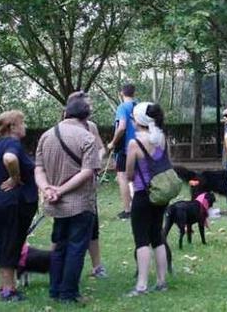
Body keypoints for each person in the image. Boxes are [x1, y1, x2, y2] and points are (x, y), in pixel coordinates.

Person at [34, 99, 100, 303]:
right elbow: (88, 172)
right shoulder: (87, 138)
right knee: (76, 248)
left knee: (59, 246)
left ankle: (55, 289)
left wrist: (47, 188)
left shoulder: (46, 135)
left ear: (65, 114)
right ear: (86, 117)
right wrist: (61, 190)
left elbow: (38, 168)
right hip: (80, 204)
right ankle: (68, 294)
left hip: (55, 204)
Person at [0, 111, 38, 302]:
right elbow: (10, 159)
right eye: (22, 123)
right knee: (10, 245)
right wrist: (15, 178)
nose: (25, 127)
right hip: (13, 204)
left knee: (4, 243)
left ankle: (4, 286)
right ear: (12, 126)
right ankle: (9, 291)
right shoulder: (12, 144)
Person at [124, 102, 170, 296]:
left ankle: (141, 285)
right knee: (157, 236)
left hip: (143, 194)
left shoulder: (135, 143)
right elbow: (168, 163)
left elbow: (128, 173)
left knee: (141, 239)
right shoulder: (162, 139)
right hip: (161, 194)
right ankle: (161, 282)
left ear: (140, 121)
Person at [66, 91, 108, 278]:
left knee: (92, 226)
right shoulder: (62, 128)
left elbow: (101, 149)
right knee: (65, 228)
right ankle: (61, 266)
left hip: (88, 187)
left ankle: (97, 267)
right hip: (67, 184)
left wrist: (94, 161)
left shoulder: (91, 126)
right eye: (87, 104)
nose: (90, 108)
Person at [107, 83, 136, 219]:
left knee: (122, 178)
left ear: (121, 93)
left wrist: (113, 143)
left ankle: (128, 210)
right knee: (140, 178)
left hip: (125, 150)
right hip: (141, 148)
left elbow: (122, 126)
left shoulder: (122, 107)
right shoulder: (140, 106)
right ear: (133, 93)